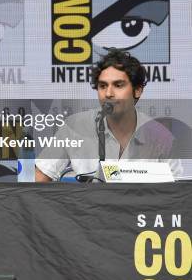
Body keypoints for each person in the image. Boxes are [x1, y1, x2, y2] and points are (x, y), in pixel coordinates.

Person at [35, 49, 181, 182]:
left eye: (118, 85)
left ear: (137, 90)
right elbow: (40, 177)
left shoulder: (162, 137)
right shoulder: (74, 127)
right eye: (103, 86)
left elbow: (176, 196)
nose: (108, 94)